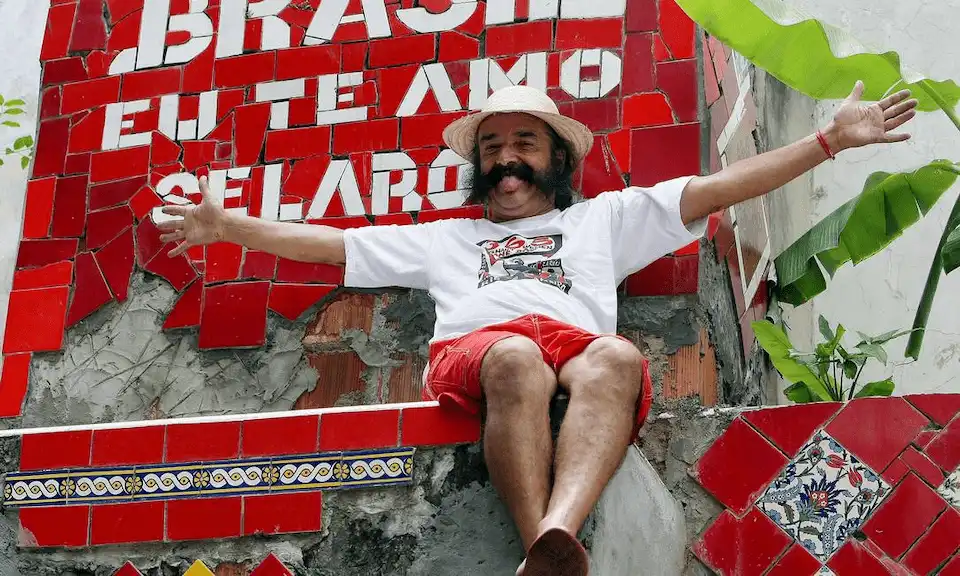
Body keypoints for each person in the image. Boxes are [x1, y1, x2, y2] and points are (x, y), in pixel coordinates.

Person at [157, 83, 917, 576]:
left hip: (576, 350)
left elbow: (720, 187)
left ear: (557, 158)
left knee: (617, 356)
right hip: (481, 355)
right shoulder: (444, 238)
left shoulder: (607, 220)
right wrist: (231, 228)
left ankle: (558, 538)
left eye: (523, 145)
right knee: (517, 356)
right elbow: (330, 245)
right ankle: (541, 548)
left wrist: (829, 142)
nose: (505, 161)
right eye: (492, 149)